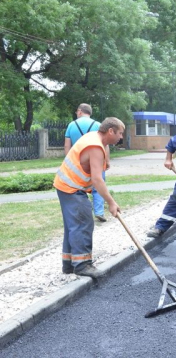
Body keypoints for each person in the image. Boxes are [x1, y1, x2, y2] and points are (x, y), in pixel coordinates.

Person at [54, 117, 124, 278]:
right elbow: (97, 179)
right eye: (120, 133)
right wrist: (111, 203)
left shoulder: (93, 137)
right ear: (111, 131)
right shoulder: (95, 146)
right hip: (71, 187)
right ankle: (82, 265)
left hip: (65, 185)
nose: (121, 137)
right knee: (82, 223)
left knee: (73, 225)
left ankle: (69, 264)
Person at [64, 103, 109, 222]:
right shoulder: (98, 125)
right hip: (96, 159)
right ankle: (99, 211)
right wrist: (107, 161)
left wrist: (68, 162)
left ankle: (80, 213)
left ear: (79, 111)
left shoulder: (71, 125)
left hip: (78, 162)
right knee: (98, 183)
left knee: (77, 187)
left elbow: (67, 145)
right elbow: (105, 145)